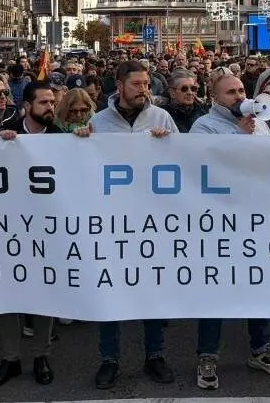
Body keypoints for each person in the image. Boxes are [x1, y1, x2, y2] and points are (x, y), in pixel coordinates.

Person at [77, 60, 178, 389]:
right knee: (111, 290)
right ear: (119, 85)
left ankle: (155, 355)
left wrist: (168, 145)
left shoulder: (162, 118)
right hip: (112, 222)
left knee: (151, 290)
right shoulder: (99, 122)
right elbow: (84, 166)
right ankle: (109, 359)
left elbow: (183, 163)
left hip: (151, 220)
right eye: (136, 84)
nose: (143, 89)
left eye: (146, 83)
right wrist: (80, 141)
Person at [188, 74, 270, 390]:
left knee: (257, 284)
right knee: (214, 290)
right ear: (215, 97)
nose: (238, 95)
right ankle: (207, 356)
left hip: (255, 217)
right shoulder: (203, 127)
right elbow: (203, 168)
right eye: (230, 92)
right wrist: (237, 136)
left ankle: (261, 349)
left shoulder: (261, 123)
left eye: (242, 90)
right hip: (218, 220)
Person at [0, 82, 62, 388]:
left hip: (47, 229)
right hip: (10, 229)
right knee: (9, 296)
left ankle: (41, 355)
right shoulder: (6, 136)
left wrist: (84, 141)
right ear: (27, 106)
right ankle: (10, 359)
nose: (50, 108)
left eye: (53, 102)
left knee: (44, 294)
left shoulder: (62, 139)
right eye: (43, 102)